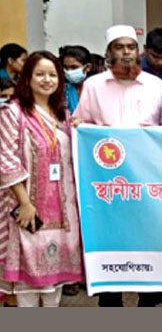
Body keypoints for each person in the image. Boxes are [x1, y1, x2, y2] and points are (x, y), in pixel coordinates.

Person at [73, 25, 162, 307]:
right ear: (109, 52)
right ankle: (111, 298)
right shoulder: (93, 86)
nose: (126, 52)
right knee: (112, 242)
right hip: (108, 182)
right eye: (119, 47)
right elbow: (81, 123)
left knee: (147, 239)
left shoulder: (156, 86)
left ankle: (148, 300)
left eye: (131, 47)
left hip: (145, 181)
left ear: (138, 52)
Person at [0, 51, 83, 306]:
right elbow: (6, 160)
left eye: (52, 75)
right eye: (40, 74)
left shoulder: (63, 115)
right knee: (27, 291)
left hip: (63, 213)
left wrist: (80, 129)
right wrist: (25, 203)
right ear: (27, 78)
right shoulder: (13, 113)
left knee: (53, 291)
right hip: (28, 210)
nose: (47, 80)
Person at [59, 45, 92, 113]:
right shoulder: (63, 90)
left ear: (88, 67)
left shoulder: (96, 89)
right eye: (66, 67)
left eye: (74, 67)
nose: (68, 71)